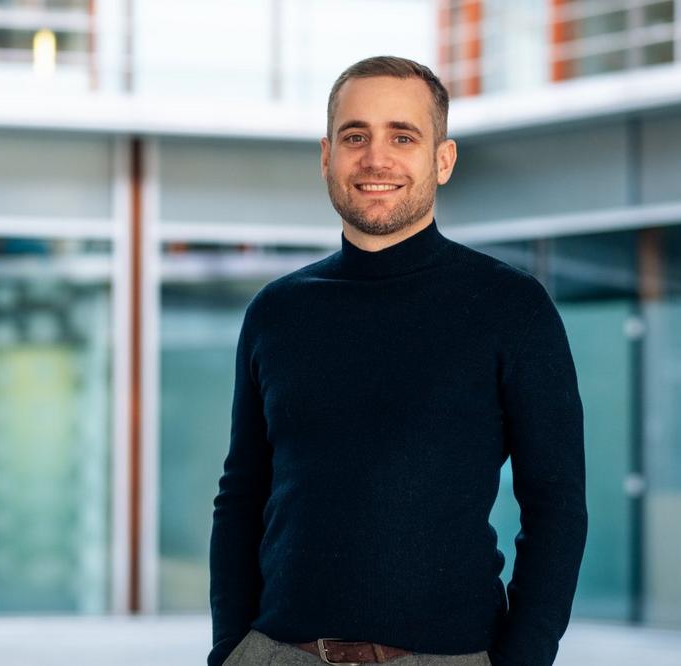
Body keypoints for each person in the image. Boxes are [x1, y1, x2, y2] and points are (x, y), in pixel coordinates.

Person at [208, 55, 587, 666]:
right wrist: (230, 649)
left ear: (444, 159)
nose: (375, 159)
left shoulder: (511, 307)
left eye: (402, 137)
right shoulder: (275, 312)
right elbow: (241, 496)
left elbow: (556, 503)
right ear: (327, 156)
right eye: (355, 136)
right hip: (276, 653)